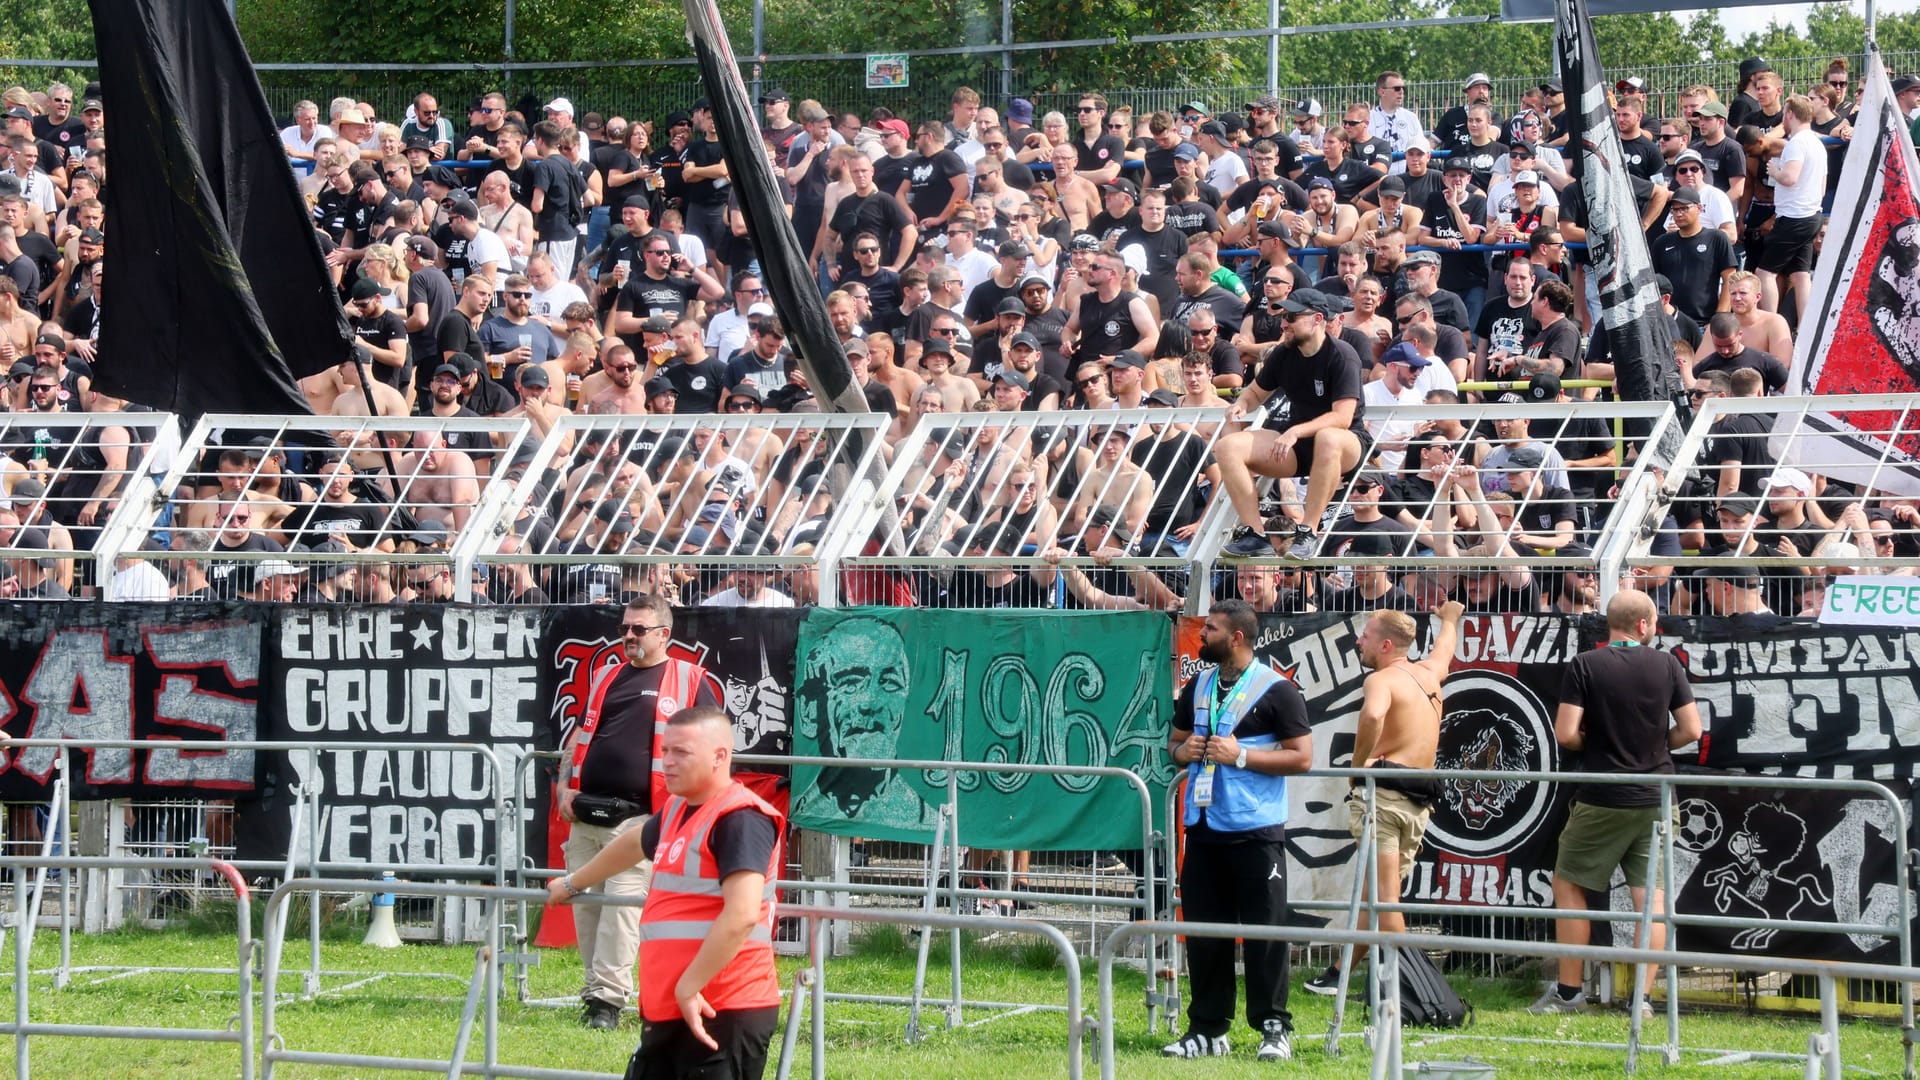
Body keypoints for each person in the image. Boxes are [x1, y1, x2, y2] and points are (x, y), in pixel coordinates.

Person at [548, 706, 782, 1080]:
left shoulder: (741, 817)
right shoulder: (676, 809)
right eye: (665, 751)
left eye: (681, 753)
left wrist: (689, 987)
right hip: (672, 1005)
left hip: (722, 1006)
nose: (667, 762)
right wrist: (573, 882)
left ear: (720, 756)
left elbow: (742, 915)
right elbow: (631, 844)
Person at [553, 595, 721, 1029]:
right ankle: (595, 994)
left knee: (622, 909)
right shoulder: (608, 675)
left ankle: (608, 1001)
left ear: (664, 634)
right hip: (587, 813)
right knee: (586, 905)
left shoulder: (689, 679)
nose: (627, 636)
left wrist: (685, 810)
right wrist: (563, 787)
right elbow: (581, 733)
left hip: (640, 818)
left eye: (638, 629)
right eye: (624, 627)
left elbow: (713, 745)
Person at [1530, 590, 1701, 1016]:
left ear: (1613, 624)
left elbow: (1566, 733)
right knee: (1652, 901)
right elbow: (1692, 730)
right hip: (1658, 796)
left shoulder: (1586, 664)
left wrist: (1596, 743)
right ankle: (1641, 1000)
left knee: (1569, 887)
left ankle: (1570, 994)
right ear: (1643, 625)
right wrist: (1659, 743)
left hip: (1603, 794)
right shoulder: (1667, 664)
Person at [1163, 598, 1312, 1062]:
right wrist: (1184, 752)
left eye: (1210, 628)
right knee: (1206, 933)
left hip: (1256, 831)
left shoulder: (1277, 690)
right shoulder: (1199, 684)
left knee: (1266, 934)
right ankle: (1207, 1028)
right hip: (1203, 827)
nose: (1201, 634)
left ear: (1238, 637)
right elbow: (1174, 742)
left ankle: (1273, 1028)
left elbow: (1301, 757)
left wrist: (1242, 756)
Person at [1305, 600, 1464, 995]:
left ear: (1387, 646)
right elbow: (1445, 648)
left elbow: (1373, 715)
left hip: (1385, 801)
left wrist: (1358, 768)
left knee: (1385, 901)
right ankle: (1340, 972)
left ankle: (1420, 989)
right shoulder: (1430, 673)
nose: (1359, 642)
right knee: (1373, 895)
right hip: (1415, 805)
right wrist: (1450, 619)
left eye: (1366, 637)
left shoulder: (1380, 681)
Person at [1217, 289, 1367, 560]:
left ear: (1318, 319)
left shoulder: (1342, 354)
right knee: (1228, 447)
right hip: (1299, 446)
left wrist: (1295, 431)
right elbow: (1254, 392)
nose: (1284, 323)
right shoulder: (1283, 353)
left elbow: (1343, 418)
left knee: (1328, 437)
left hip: (1345, 444)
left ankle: (1308, 531)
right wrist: (1242, 404)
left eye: (1293, 316)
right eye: (1284, 315)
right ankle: (1255, 532)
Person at [792, 615, 937, 829]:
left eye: (889, 683)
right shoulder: (798, 813)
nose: (871, 704)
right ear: (808, 711)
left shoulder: (926, 822)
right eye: (850, 683)